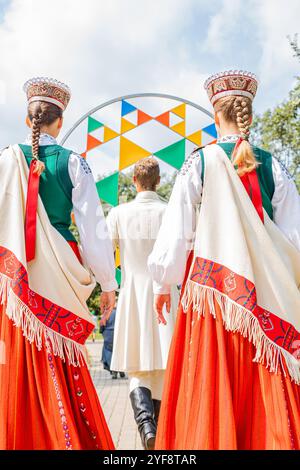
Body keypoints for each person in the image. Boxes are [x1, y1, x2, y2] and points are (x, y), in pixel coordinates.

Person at [148, 70, 300, 450]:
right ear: (250, 112)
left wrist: (162, 283)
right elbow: (294, 238)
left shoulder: (198, 163)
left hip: (213, 299)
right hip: (265, 295)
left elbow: (176, 235)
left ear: (215, 116)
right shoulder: (275, 167)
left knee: (211, 387)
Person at [0, 77, 118, 450]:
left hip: (16, 271)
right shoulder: (75, 163)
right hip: (62, 269)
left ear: (27, 119)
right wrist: (108, 284)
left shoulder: (6, 158)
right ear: (59, 121)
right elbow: (93, 230)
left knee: (19, 354)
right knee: (61, 356)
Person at [106, 158, 179, 450]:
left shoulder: (119, 213)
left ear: (134, 182)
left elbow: (104, 251)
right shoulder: (169, 211)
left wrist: (108, 287)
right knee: (162, 367)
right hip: (167, 294)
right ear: (158, 181)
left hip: (133, 290)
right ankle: (157, 432)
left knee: (137, 368)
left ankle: (146, 426)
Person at [100, 300, 125, 379]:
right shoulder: (121, 313)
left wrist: (102, 331)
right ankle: (121, 370)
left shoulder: (106, 313)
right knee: (120, 352)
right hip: (119, 334)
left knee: (109, 353)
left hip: (108, 335)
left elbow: (102, 325)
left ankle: (114, 371)